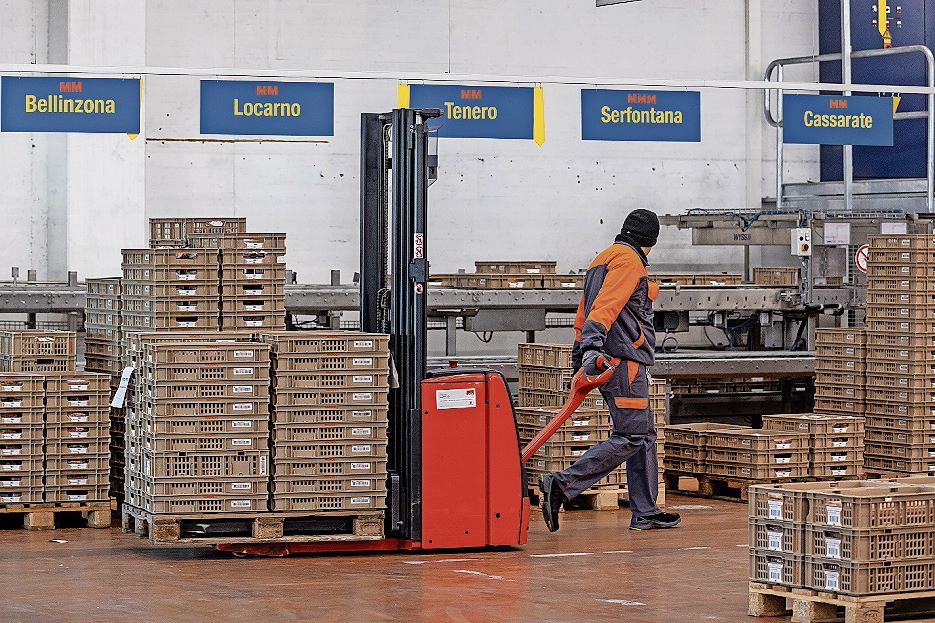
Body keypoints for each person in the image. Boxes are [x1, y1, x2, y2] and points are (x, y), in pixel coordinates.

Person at [539, 209, 681, 532]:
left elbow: (583, 311)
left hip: (615, 362)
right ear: (651, 242)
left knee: (643, 434)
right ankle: (561, 486)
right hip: (623, 365)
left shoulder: (602, 259)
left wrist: (581, 353)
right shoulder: (630, 262)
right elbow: (604, 310)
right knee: (631, 435)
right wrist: (590, 349)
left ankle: (644, 510)